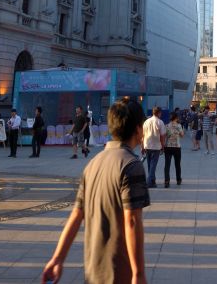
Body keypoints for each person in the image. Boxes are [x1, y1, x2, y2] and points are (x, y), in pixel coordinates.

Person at [41, 98, 150, 284]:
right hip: (119, 272)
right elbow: (131, 220)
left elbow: (76, 215)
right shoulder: (132, 165)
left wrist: (58, 258)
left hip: (93, 271)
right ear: (139, 129)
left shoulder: (93, 163)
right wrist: (138, 274)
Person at [142, 106, 166, 188]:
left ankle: (153, 181)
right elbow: (162, 136)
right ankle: (149, 182)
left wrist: (142, 147)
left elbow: (143, 135)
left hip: (147, 145)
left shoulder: (146, 122)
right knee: (153, 165)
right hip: (156, 146)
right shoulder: (160, 122)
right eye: (160, 113)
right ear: (159, 113)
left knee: (150, 165)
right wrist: (163, 146)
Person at [164, 111, 184, 187]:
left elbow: (165, 135)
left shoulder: (167, 126)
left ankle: (166, 181)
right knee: (177, 164)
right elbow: (182, 135)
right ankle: (178, 180)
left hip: (168, 147)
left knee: (167, 165)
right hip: (177, 147)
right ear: (176, 118)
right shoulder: (179, 126)